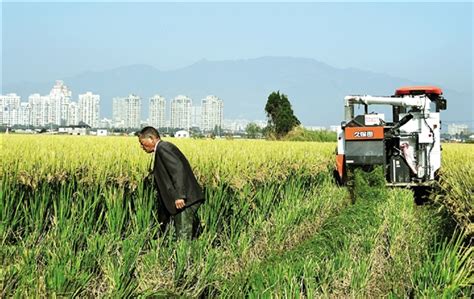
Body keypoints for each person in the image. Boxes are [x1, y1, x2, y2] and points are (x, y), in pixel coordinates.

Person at [138, 126, 204, 240]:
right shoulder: (162, 149)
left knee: (183, 237)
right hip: (183, 200)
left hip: (185, 200)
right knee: (178, 234)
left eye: (142, 143)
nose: (141, 146)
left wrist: (180, 196)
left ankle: (183, 257)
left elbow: (178, 170)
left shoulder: (163, 148)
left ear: (151, 138)